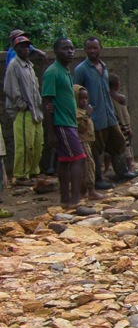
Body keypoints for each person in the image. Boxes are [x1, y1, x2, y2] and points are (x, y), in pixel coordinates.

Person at [72, 37, 138, 189]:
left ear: (101, 48)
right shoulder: (81, 70)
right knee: (95, 149)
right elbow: (76, 92)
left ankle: (121, 173)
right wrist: (84, 113)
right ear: (85, 50)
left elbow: (107, 91)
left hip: (108, 114)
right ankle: (97, 179)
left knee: (118, 141)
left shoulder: (104, 67)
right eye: (89, 48)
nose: (92, 51)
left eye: (95, 48)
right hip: (94, 116)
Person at [42, 38, 85, 209]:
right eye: (65, 48)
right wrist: (51, 132)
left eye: (72, 48)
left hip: (68, 122)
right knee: (79, 158)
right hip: (62, 123)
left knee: (65, 160)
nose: (70, 52)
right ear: (56, 52)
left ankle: (65, 199)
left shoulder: (65, 71)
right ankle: (74, 199)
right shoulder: (52, 72)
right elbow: (46, 101)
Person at [3, 35, 43, 186]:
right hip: (23, 111)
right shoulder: (14, 65)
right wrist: (21, 104)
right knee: (25, 145)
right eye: (22, 47)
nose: (25, 50)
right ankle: (21, 175)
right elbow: (10, 88)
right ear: (15, 49)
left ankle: (34, 171)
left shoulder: (29, 65)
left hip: (35, 110)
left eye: (27, 47)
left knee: (38, 143)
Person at [74, 86, 103, 200]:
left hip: (86, 141)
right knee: (89, 164)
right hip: (82, 141)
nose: (84, 101)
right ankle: (91, 190)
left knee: (85, 165)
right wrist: (87, 115)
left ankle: (83, 191)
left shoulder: (80, 111)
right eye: (81, 98)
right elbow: (81, 127)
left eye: (86, 98)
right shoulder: (77, 112)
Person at [107, 74, 136, 175]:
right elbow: (125, 115)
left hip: (110, 125)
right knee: (126, 146)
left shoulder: (106, 97)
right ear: (116, 85)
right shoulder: (120, 98)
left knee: (109, 148)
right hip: (121, 126)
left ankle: (107, 168)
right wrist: (128, 129)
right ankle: (129, 168)